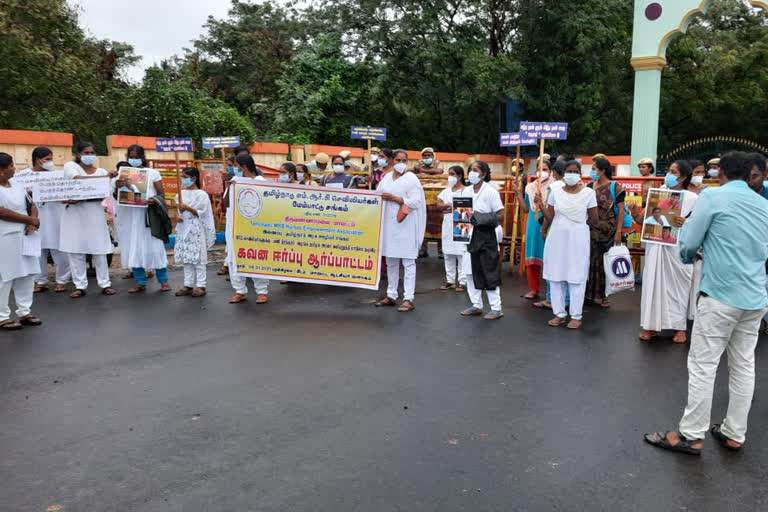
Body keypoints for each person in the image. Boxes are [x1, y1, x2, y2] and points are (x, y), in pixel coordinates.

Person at [644, 151, 768, 455]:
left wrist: (689, 256)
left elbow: (688, 242)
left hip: (721, 296)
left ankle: (691, 435)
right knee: (743, 365)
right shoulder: (764, 205)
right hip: (755, 298)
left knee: (703, 365)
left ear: (722, 173)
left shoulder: (712, 198)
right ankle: (733, 432)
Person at [638, 160, 698, 343]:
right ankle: (650, 326)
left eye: (673, 171)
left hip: (677, 249)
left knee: (678, 288)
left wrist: (685, 223)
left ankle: (679, 328)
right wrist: (635, 213)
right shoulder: (658, 193)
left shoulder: (692, 198)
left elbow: (700, 225)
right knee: (652, 285)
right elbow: (644, 220)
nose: (669, 175)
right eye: (669, 171)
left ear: (683, 177)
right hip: (655, 247)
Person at [538, 161, 598, 329]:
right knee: (556, 277)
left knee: (576, 277)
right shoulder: (555, 193)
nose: (571, 173)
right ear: (563, 174)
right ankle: (559, 314)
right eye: (569, 171)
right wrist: (541, 206)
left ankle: (576, 316)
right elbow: (550, 217)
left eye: (575, 171)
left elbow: (594, 219)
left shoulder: (588, 193)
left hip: (578, 239)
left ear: (579, 174)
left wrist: (584, 224)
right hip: (556, 238)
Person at [59, 142, 116, 297]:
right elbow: (78, 180)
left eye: (92, 152)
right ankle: (80, 286)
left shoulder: (102, 171)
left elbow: (106, 192)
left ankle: (105, 284)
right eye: (86, 152)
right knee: (76, 250)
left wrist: (113, 182)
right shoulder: (71, 166)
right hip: (74, 215)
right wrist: (104, 178)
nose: (90, 155)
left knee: (100, 250)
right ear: (78, 154)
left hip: (95, 213)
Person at [12, 146, 71, 293]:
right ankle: (40, 281)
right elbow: (16, 193)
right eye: (47, 159)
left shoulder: (56, 176)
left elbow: (66, 193)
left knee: (59, 249)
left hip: (55, 216)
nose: (50, 162)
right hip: (33, 217)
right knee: (37, 251)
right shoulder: (23, 176)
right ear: (38, 160)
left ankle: (62, 280)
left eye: (51, 159)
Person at [113, 144, 170, 293]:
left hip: (148, 217)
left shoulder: (152, 173)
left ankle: (163, 281)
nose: (134, 160)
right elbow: (116, 197)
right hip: (130, 217)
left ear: (143, 158)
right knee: (134, 248)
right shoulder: (123, 174)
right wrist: (117, 187)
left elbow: (161, 194)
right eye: (131, 157)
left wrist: (153, 200)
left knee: (155, 248)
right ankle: (140, 282)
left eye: (136, 157)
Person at [374, 149, 426, 312]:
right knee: (391, 262)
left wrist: (397, 199)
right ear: (391, 161)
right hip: (389, 226)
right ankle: (391, 295)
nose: (401, 163)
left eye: (404, 160)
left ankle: (408, 298)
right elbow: (377, 196)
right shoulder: (386, 178)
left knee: (408, 262)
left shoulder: (411, 179)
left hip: (406, 225)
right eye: (398, 160)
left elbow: (416, 202)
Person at [0, 153, 43, 330]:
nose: (14, 168)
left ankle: (24, 311)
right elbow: (2, 212)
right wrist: (28, 220)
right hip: (5, 236)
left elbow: (32, 203)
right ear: (1, 170)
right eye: (11, 166)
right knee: (5, 275)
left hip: (25, 235)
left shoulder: (17, 184)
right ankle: (2, 316)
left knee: (28, 273)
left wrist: (33, 220)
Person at [459, 161, 505, 320]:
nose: (472, 173)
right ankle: (476, 304)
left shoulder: (491, 192)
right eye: (470, 170)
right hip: (467, 235)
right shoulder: (465, 191)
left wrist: (480, 217)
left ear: (484, 174)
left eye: (476, 170)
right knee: (470, 271)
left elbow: (500, 215)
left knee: (488, 270)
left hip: (485, 235)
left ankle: (496, 308)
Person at [228, 154, 270, 304]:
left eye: (236, 165)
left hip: (255, 226)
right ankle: (240, 291)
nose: (235, 168)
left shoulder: (261, 182)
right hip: (235, 226)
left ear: (244, 166)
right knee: (235, 257)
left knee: (256, 256)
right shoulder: (235, 181)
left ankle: (262, 291)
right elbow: (227, 203)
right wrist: (231, 188)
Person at [585, 157, 625, 309]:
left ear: (602, 171)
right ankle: (589, 294)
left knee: (603, 263)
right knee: (589, 261)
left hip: (607, 229)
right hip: (590, 228)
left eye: (594, 169)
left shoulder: (615, 187)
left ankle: (603, 296)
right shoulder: (589, 186)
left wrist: (618, 231)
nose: (592, 171)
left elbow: (621, 210)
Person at [513, 158, 553, 299]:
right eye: (539, 169)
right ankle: (534, 289)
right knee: (532, 255)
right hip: (532, 222)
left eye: (545, 169)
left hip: (548, 223)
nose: (542, 172)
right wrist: (518, 193)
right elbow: (525, 208)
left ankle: (551, 292)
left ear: (551, 171)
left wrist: (542, 202)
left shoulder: (554, 186)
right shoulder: (530, 187)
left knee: (550, 258)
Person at [174, 167, 215, 297]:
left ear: (194, 178)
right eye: (182, 177)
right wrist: (178, 216)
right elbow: (178, 211)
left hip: (196, 228)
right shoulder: (180, 194)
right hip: (183, 227)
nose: (183, 180)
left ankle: (201, 285)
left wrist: (189, 209)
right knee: (187, 258)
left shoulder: (202, 195)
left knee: (198, 258)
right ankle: (188, 284)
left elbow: (204, 213)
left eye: (185, 177)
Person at [436, 166, 470, 292]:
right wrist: (447, 205)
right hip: (448, 224)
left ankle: (463, 282)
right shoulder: (446, 191)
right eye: (449, 174)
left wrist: (452, 207)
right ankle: (450, 281)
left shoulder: (466, 191)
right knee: (448, 253)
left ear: (460, 176)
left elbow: (467, 207)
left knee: (461, 253)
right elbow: (438, 204)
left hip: (462, 223)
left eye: (452, 174)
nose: (449, 177)